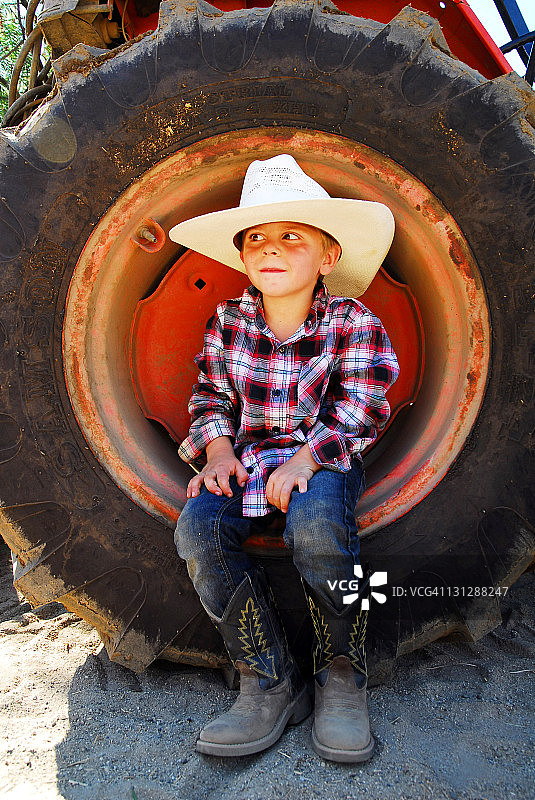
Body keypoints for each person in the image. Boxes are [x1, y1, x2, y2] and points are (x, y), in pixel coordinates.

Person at [169, 154, 399, 762]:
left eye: (292, 236)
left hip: (320, 458)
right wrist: (216, 453)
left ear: (328, 255)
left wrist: (303, 461)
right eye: (257, 240)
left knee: (318, 528)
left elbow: (363, 401)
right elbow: (211, 394)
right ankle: (267, 679)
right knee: (197, 531)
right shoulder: (227, 323)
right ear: (242, 256)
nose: (272, 249)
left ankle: (341, 676)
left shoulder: (351, 322)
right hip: (248, 460)